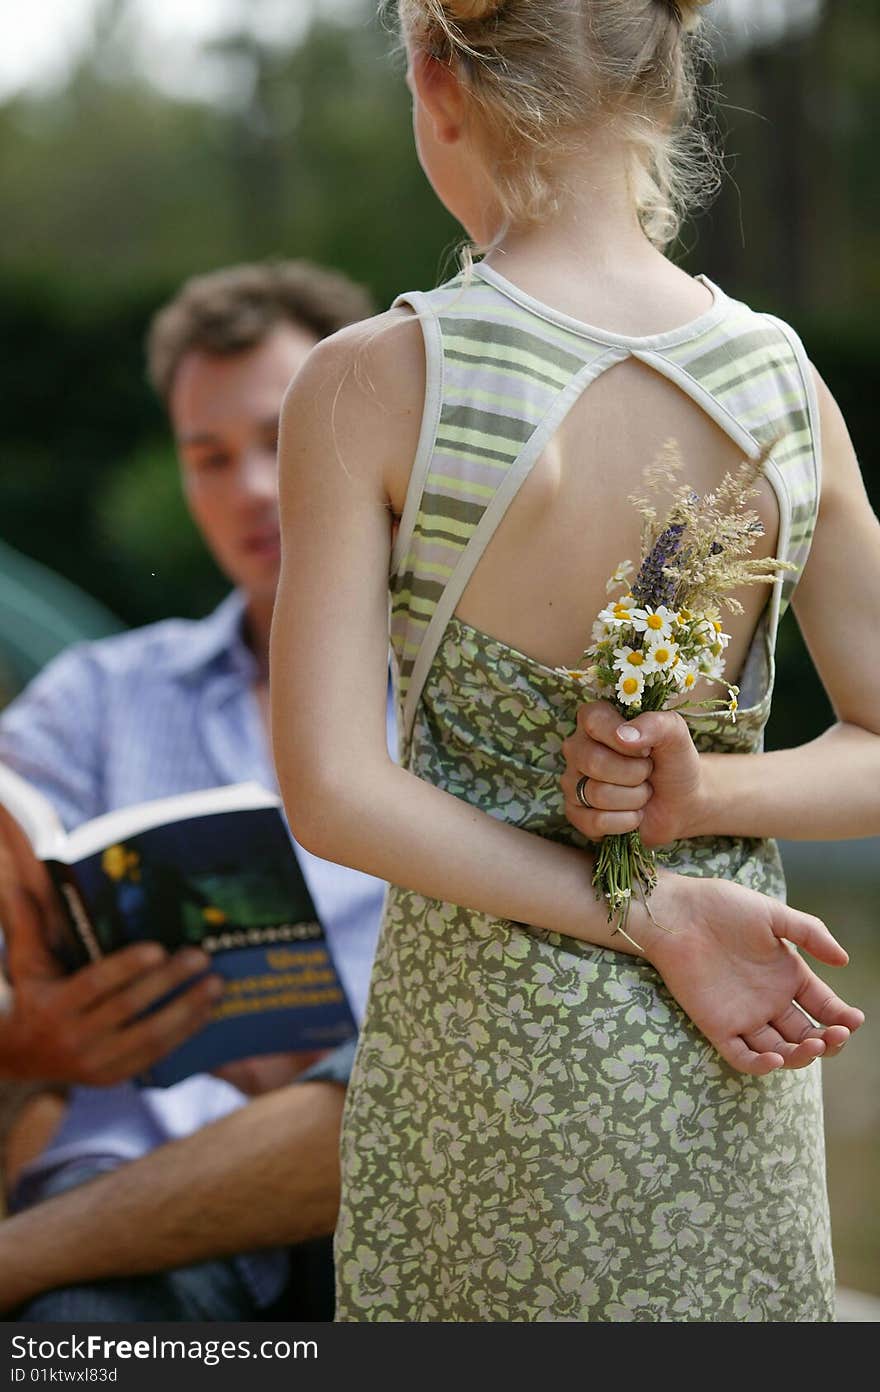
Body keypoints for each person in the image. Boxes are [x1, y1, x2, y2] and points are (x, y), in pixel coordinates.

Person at [269, 0, 876, 1322]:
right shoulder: (780, 381)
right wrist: (704, 798)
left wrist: (647, 913)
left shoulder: (376, 380)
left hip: (484, 1080)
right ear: (671, 83)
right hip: (738, 1053)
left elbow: (330, 787)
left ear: (436, 81)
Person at [0, 259, 394, 1321]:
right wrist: (28, 1037)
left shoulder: (470, 698)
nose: (249, 490)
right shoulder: (96, 696)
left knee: (400, 1085)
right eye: (207, 457)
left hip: (374, 1192)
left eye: (278, 441)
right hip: (123, 1215)